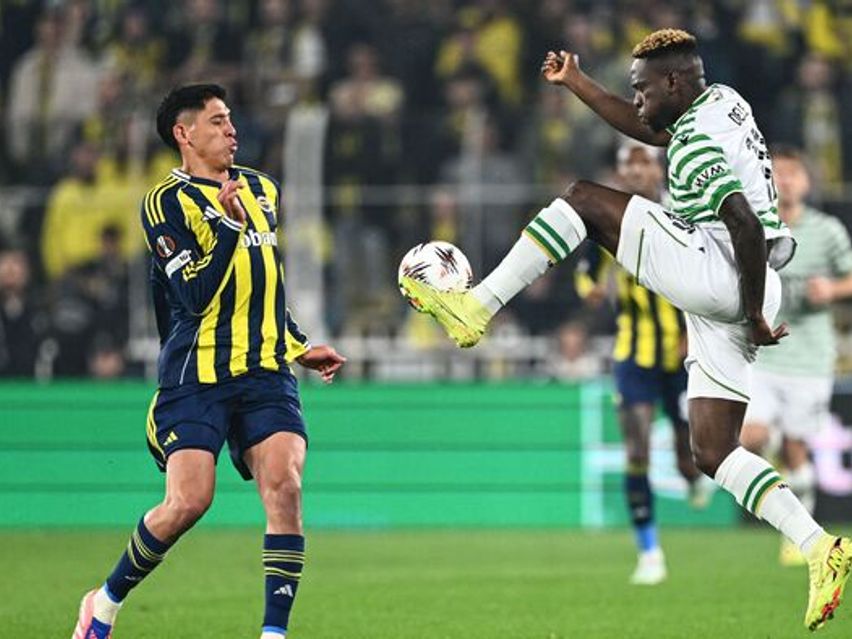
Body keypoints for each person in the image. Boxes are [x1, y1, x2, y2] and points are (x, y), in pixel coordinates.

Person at [400, 29, 851, 631]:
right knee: (713, 449)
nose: (636, 100)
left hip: (727, 273)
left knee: (583, 201)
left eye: (641, 89)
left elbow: (741, 221)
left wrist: (751, 313)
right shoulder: (723, 101)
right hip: (747, 280)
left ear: (673, 82)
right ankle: (821, 545)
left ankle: (477, 306)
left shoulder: (694, 148)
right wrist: (578, 82)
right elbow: (653, 130)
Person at [72, 84, 346, 639]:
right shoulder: (164, 203)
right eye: (218, 121)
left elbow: (264, 282)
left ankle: (273, 635)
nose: (231, 129)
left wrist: (297, 344)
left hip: (265, 369)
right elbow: (193, 296)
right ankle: (104, 601)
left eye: (230, 119)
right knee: (188, 502)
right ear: (184, 133)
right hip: (196, 373)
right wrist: (226, 225)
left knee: (286, 486)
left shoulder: (262, 188)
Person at [576, 140, 704, 585]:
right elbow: (585, 272)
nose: (635, 172)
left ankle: (693, 479)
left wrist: (693, 331)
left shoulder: (686, 212)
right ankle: (649, 553)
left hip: (684, 352)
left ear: (659, 169)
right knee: (637, 450)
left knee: (692, 454)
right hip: (633, 352)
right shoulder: (608, 218)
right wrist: (590, 290)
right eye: (627, 165)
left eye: (643, 162)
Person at [741, 146, 852, 566]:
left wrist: (833, 290)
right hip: (763, 354)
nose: (785, 180)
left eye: (793, 173)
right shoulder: (752, 226)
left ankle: (801, 534)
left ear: (806, 182)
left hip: (810, 359)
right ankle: (772, 455)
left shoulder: (827, 231)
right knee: (751, 439)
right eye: (778, 173)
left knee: (796, 448)